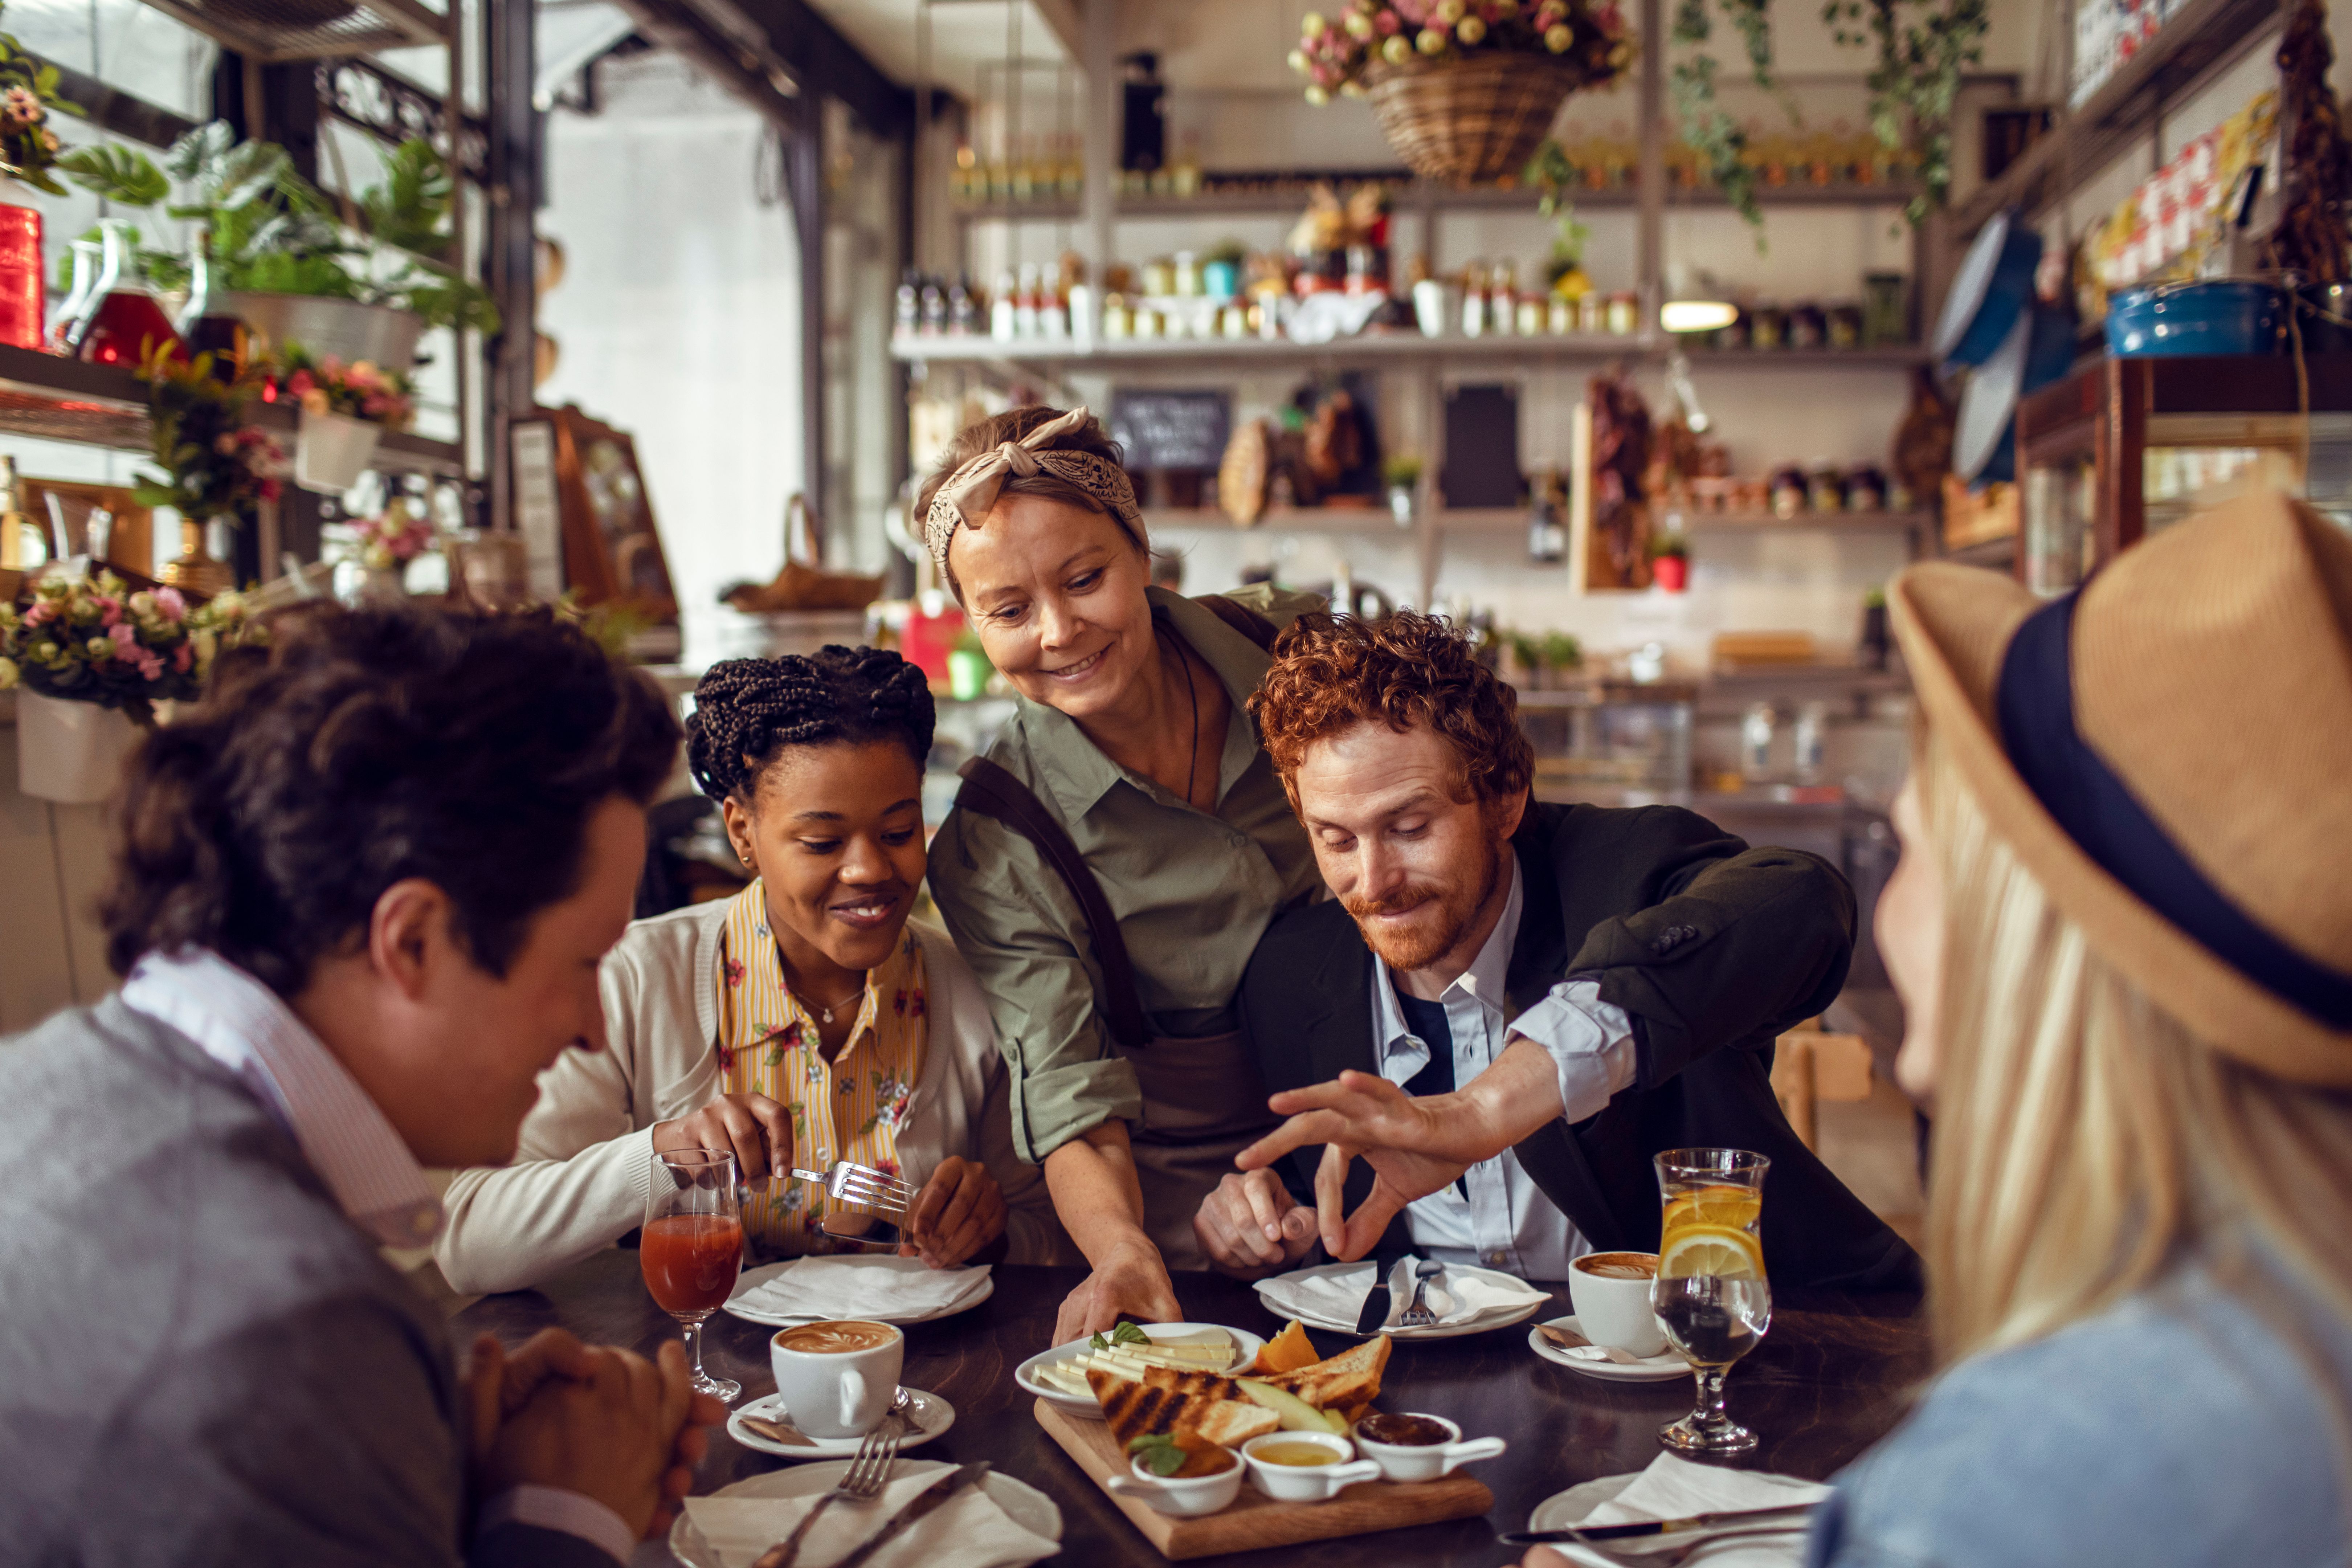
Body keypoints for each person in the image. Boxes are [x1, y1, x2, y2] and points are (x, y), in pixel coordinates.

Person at [0, 604, 724, 1565]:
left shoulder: (45, 1082)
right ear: (414, 940)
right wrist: (561, 1521)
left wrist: (418, 1463)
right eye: (585, 961)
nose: (595, 1025)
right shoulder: (287, 1332)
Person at [1197, 610, 1917, 1290]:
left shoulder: (1627, 871)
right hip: (1436, 1396)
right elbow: (1323, 1213)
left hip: (1735, 1359)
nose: (1374, 881)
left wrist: (1490, 1107)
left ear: (1506, 798)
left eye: (1410, 827)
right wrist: (1260, 1227)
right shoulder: (1287, 980)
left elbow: (1806, 901)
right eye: (1336, 839)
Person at [436, 646, 1070, 1294]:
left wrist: (991, 1232)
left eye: (900, 832)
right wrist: (659, 1156)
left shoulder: (970, 990)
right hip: (695, 1375)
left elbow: (1048, 1236)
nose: (870, 870)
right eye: (822, 844)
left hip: (914, 1380)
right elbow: (472, 1246)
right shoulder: (634, 982)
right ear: (742, 833)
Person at [919, 404, 1330, 1340]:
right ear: (974, 625)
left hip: (1396, 1120)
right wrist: (1125, 1253)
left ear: (1142, 552)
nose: (1059, 631)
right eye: (1010, 611)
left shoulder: (1297, 653)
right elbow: (1070, 1089)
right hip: (1177, 1192)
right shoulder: (998, 843)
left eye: (1086, 579)